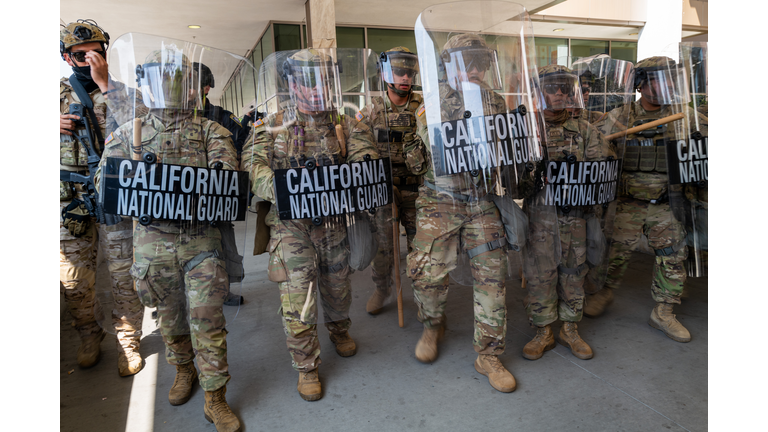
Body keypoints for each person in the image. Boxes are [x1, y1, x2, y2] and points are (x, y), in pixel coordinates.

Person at [95, 47, 241, 432]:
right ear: (149, 85)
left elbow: (226, 178)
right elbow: (103, 185)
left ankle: (216, 398)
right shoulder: (129, 134)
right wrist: (132, 178)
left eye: (177, 80)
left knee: (208, 319)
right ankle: (183, 371)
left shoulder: (211, 130)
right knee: (170, 319)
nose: (171, 87)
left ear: (191, 88)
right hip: (152, 245)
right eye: (163, 79)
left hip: (201, 243)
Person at [241, 49, 379, 402]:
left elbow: (366, 156)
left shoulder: (345, 123)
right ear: (292, 84)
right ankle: (306, 367)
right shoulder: (273, 124)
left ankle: (339, 330)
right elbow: (253, 163)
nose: (317, 89)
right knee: (297, 297)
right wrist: (281, 189)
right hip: (292, 227)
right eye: (308, 81)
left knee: (338, 287)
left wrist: (357, 171)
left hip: (334, 222)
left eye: (323, 81)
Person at [405, 34, 516, 393]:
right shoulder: (431, 101)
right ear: (449, 64)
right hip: (441, 199)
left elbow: (503, 149)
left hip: (480, 198)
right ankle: (432, 323)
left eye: (481, 62)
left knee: (493, 274)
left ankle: (488, 354)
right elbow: (433, 138)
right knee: (427, 276)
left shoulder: (495, 101)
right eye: (467, 62)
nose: (475, 69)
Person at [583, 56, 708, 343]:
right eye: (658, 80)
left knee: (674, 257)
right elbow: (595, 151)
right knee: (613, 253)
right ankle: (603, 292)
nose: (666, 86)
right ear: (640, 84)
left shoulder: (686, 118)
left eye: (670, 80)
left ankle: (663, 311)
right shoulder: (620, 116)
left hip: (667, 203)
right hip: (628, 202)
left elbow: (707, 153)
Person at [59, 19, 144, 376]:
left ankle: (128, 342)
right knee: (75, 277)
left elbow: (142, 132)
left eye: (95, 52)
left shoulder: (122, 92)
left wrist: (106, 85)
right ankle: (88, 336)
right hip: (71, 199)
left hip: (113, 195)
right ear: (67, 58)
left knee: (124, 274)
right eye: (80, 55)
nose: (88, 59)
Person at [521, 65, 615, 361]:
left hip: (576, 216)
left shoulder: (586, 132)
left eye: (565, 87)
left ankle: (570, 329)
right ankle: (543, 331)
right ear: (539, 92)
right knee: (540, 275)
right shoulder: (527, 131)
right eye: (552, 87)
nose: (560, 93)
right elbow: (510, 178)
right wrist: (533, 175)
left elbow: (604, 173)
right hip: (541, 215)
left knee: (574, 272)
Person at [362, 46, 424, 315]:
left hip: (417, 187)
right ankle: (382, 287)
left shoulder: (424, 107)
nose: (405, 77)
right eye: (399, 72)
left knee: (422, 247)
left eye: (409, 72)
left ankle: (426, 300)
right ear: (385, 73)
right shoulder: (371, 111)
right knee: (384, 247)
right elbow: (358, 148)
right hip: (384, 189)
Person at [193, 62, 247, 307]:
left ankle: (223, 290)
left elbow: (245, 145)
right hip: (184, 198)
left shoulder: (222, 117)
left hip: (217, 196)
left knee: (223, 244)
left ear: (205, 88)